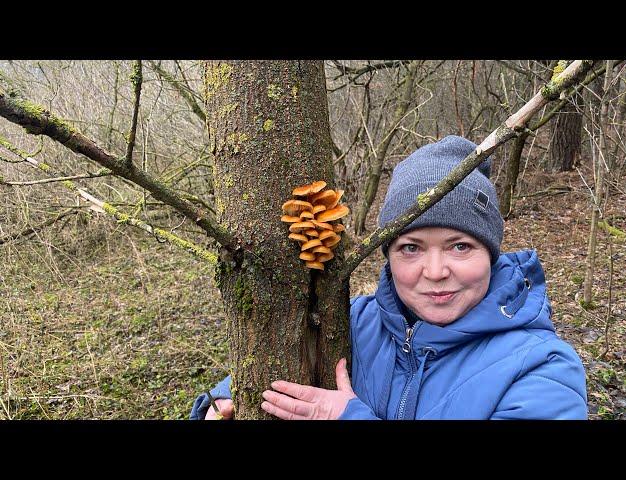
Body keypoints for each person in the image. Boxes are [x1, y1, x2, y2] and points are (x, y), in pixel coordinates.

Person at [190, 135, 588, 420]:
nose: (435, 272)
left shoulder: (542, 369)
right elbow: (258, 375)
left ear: (491, 252)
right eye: (410, 248)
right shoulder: (353, 322)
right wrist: (221, 401)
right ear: (387, 253)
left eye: (460, 246)